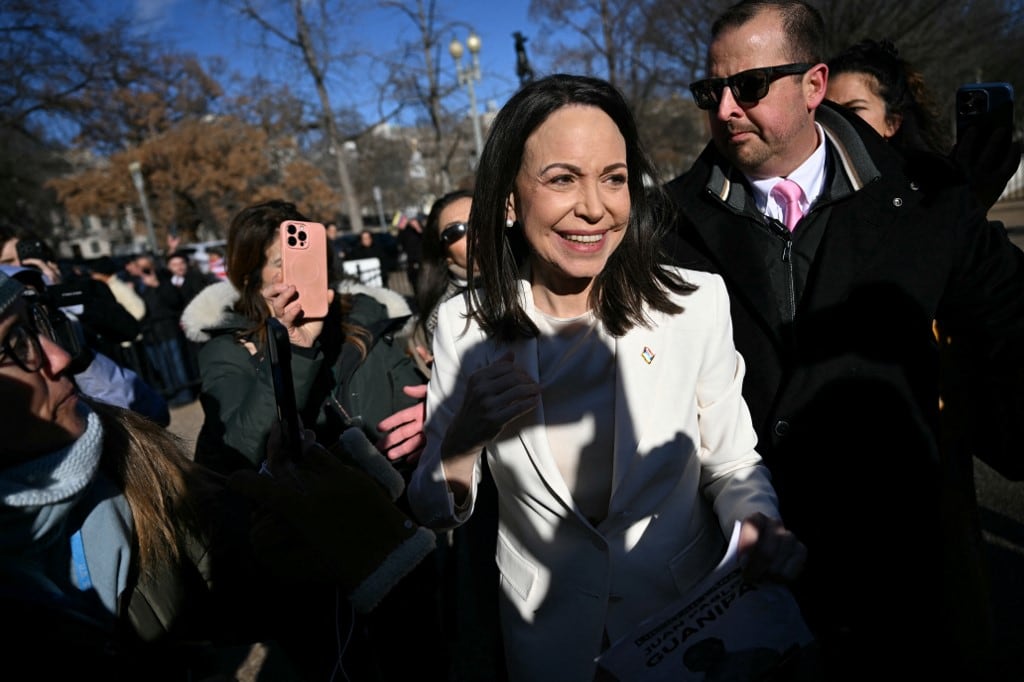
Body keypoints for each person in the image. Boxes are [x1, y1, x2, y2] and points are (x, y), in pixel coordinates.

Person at [661, 2, 1024, 680]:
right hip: (748, 584)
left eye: (749, 87)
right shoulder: (665, 228)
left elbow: (1010, 325)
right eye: (711, 92)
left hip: (901, 581)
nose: (726, 109)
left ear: (813, 84)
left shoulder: (926, 203)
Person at [407, 73, 807, 682]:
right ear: (511, 200)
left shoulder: (694, 304)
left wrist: (756, 523)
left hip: (688, 632)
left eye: (613, 178)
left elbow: (731, 463)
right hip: (546, 645)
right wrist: (463, 442)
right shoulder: (463, 326)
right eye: (562, 178)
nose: (594, 206)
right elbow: (433, 506)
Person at [0, 269, 436, 679]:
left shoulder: (130, 455)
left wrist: (320, 547)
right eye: (12, 344)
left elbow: (231, 595)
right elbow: (240, 438)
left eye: (37, 324)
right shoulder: (223, 348)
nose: (57, 356)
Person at [179, 198, 445, 680]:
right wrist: (295, 346)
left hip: (391, 537)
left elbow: (413, 403)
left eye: (306, 258)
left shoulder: (363, 322)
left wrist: (433, 415)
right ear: (249, 276)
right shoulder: (228, 348)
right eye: (280, 264)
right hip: (306, 562)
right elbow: (241, 443)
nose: (297, 275)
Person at [826, 37, 1021, 210]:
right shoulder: (812, 187)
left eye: (854, 109)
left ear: (892, 123)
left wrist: (970, 207)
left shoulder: (931, 192)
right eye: (827, 111)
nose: (838, 119)